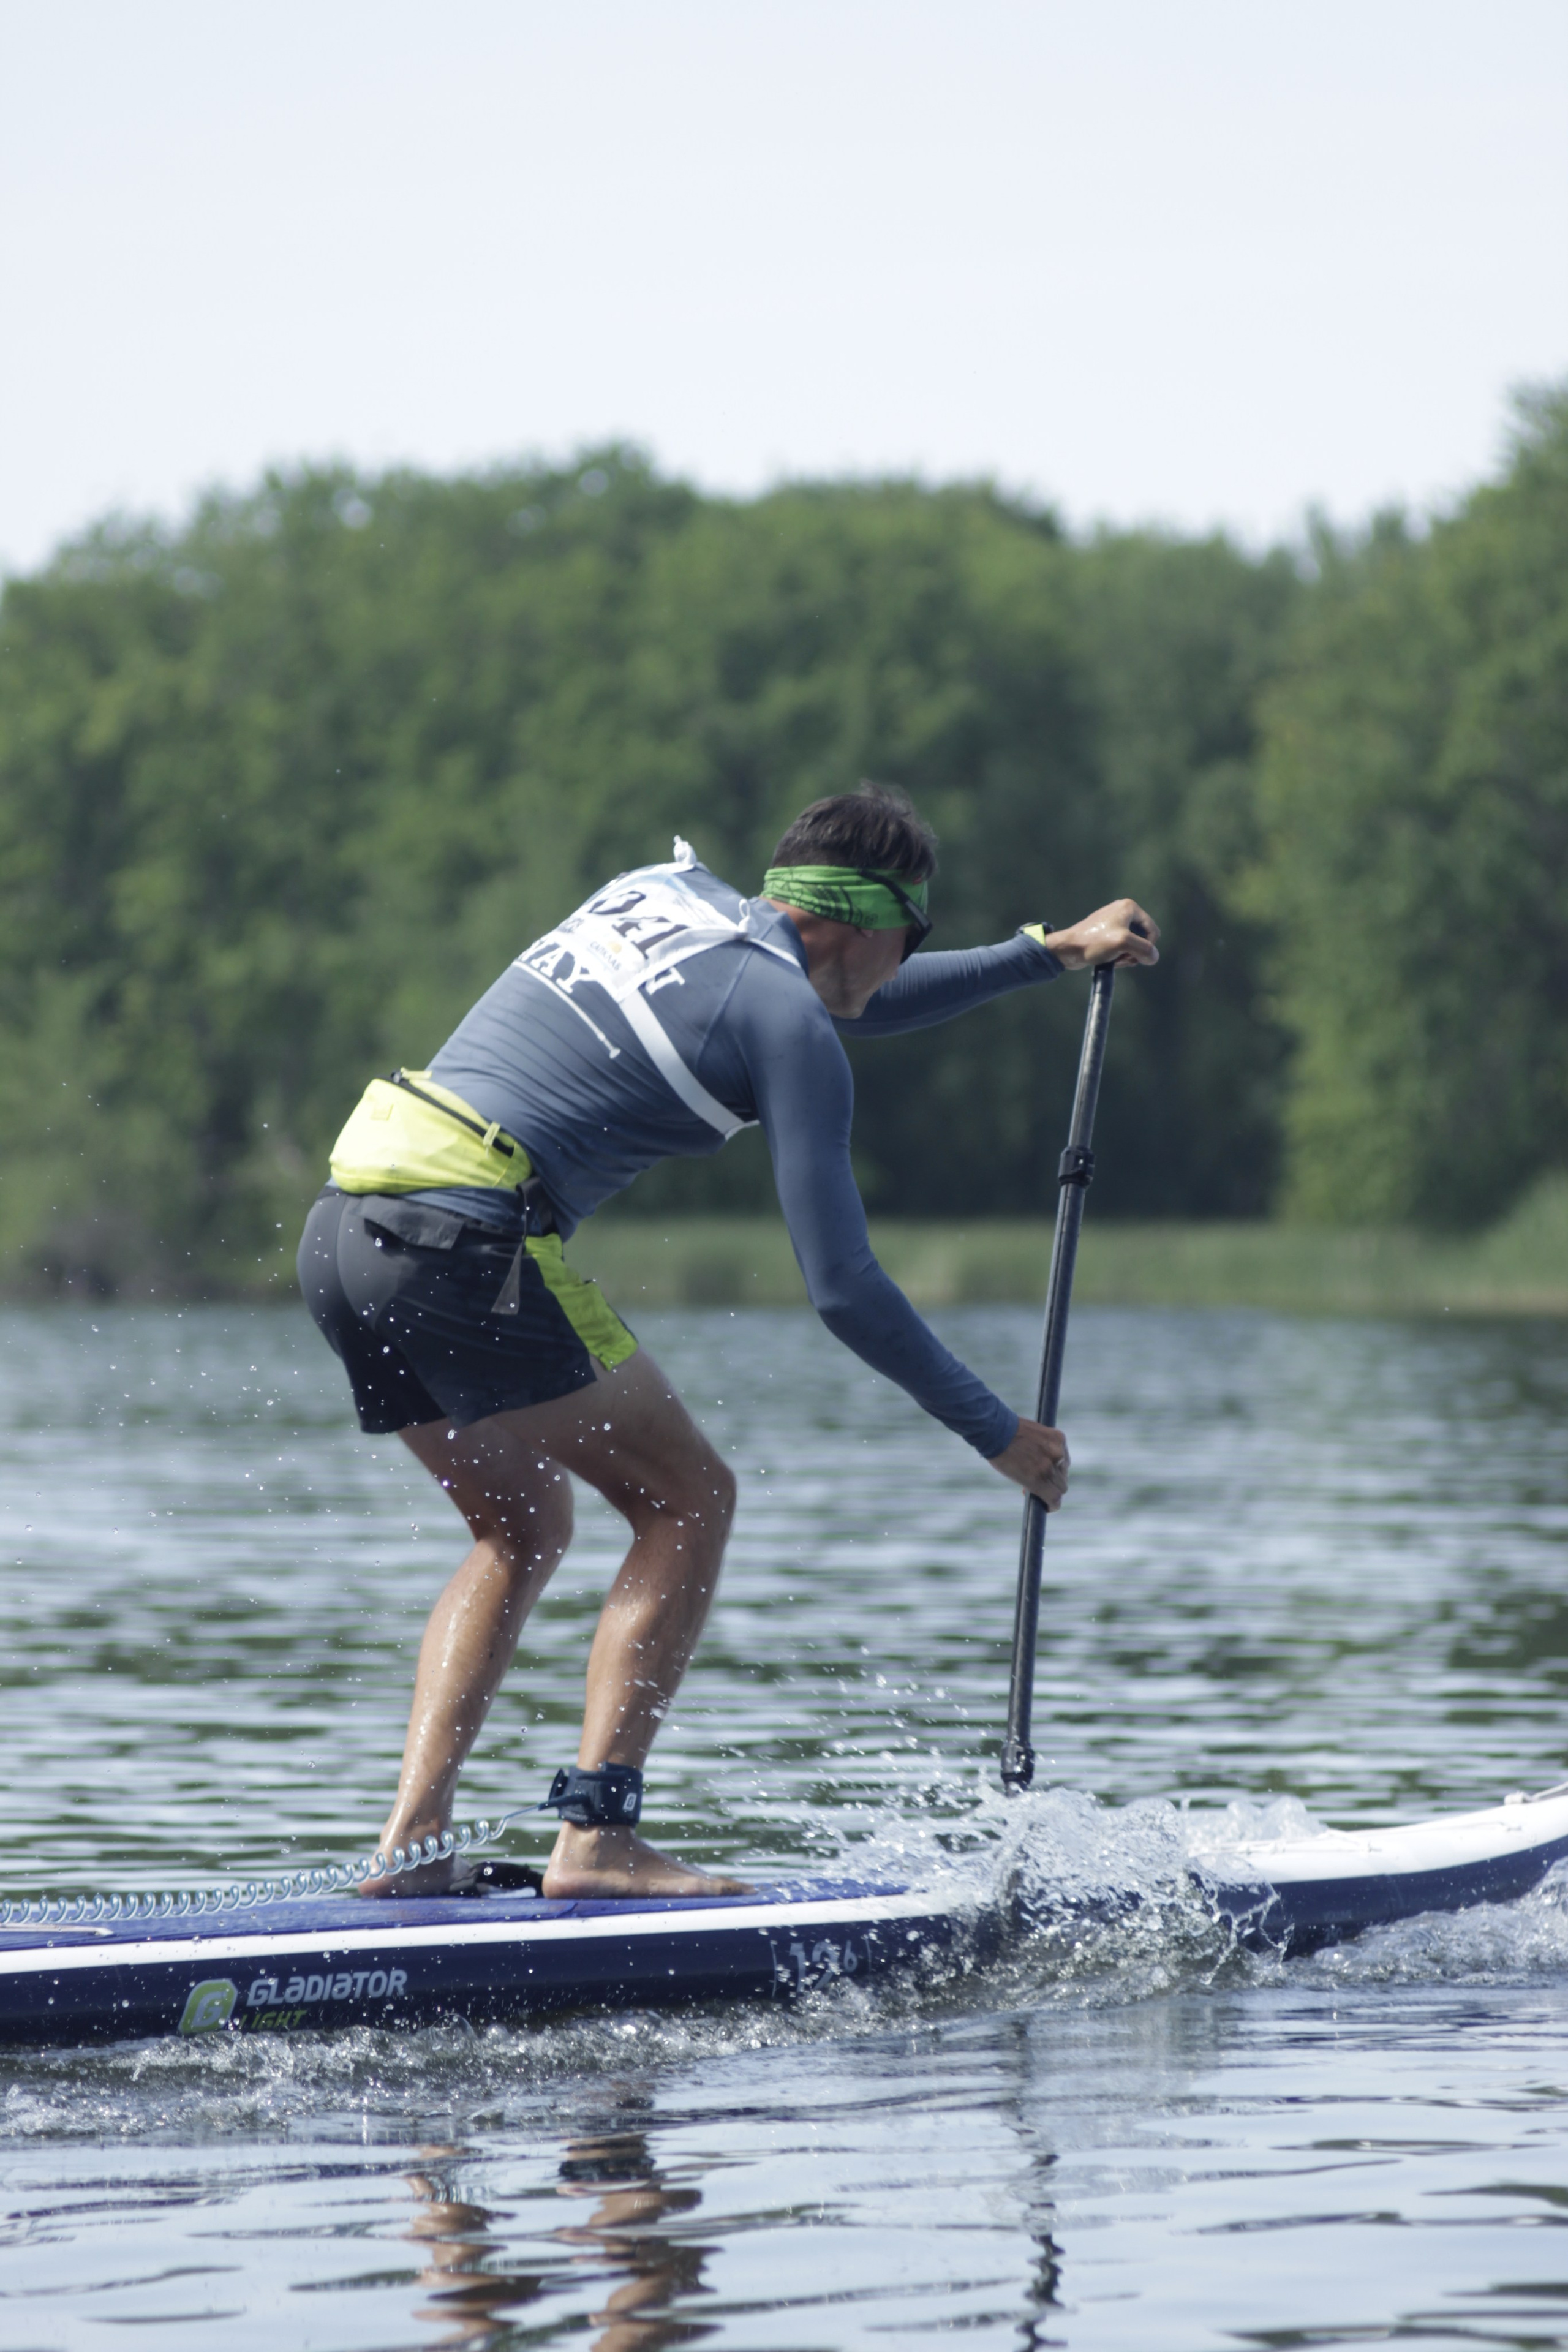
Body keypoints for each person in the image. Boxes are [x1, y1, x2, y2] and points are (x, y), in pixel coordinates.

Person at [298, 783, 1158, 1898]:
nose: (905, 966)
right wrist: (997, 1433)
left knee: (517, 1529)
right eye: (911, 938)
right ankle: (596, 1838)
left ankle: (410, 1849)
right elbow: (843, 1289)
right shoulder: (791, 1018)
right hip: (467, 1236)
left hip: (345, 1225)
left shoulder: (663, 894)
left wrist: (1045, 953)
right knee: (687, 1500)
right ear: (856, 921)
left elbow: (840, 1003)